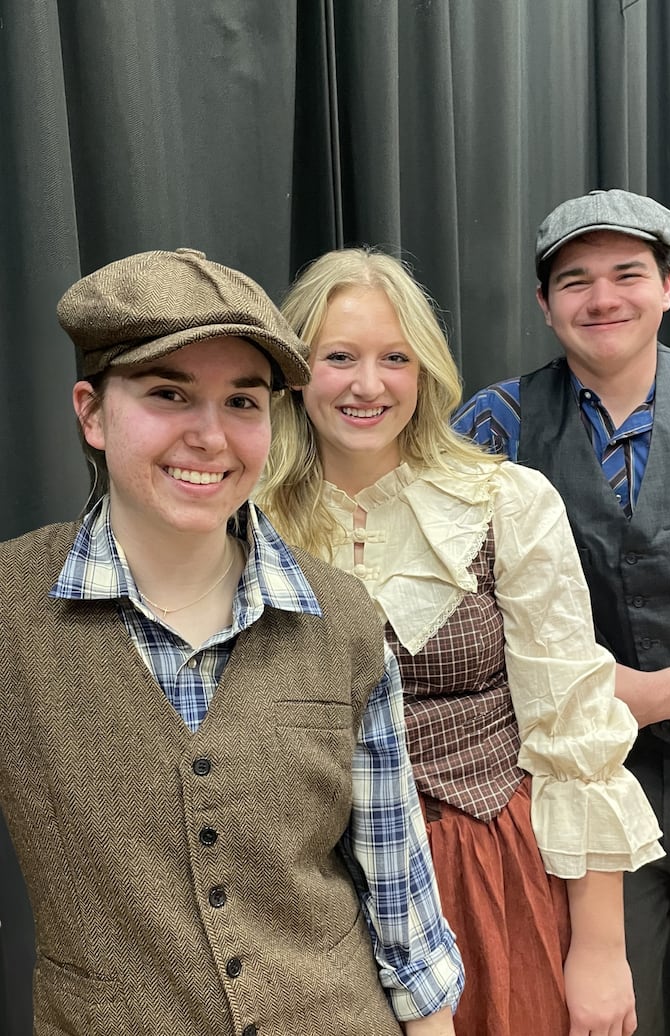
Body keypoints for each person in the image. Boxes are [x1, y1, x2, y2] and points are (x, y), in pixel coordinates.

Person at [0, 247, 464, 1036]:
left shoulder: (343, 617)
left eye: (243, 402)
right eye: (168, 394)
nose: (210, 436)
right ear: (92, 412)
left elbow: (399, 887)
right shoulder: (11, 611)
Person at [256, 247, 665, 1036]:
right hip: (308, 885)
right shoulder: (250, 520)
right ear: (296, 369)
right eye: (339, 357)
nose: (368, 385)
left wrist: (601, 951)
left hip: (481, 870)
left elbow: (575, 732)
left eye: (394, 358)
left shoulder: (502, 502)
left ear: (426, 370)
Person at [454, 189, 670, 1036]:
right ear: (544, 304)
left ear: (668, 287)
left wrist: (659, 694)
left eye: (626, 273)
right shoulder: (491, 426)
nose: (601, 298)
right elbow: (456, 600)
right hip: (570, 780)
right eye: (575, 280)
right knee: (601, 1008)